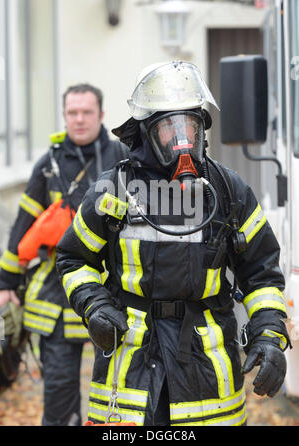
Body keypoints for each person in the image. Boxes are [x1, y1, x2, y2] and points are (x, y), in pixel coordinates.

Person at [56, 62, 290, 427]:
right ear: (146, 132)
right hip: (131, 371)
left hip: (207, 376)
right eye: (168, 127)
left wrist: (270, 334)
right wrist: (94, 306)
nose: (181, 139)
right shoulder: (113, 189)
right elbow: (73, 258)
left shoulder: (228, 191)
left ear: (201, 128)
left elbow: (262, 272)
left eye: (189, 125)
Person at [0, 83, 128, 426]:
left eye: (87, 112)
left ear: (101, 115)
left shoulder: (123, 158)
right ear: (64, 116)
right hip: (58, 296)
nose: (80, 119)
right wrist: (6, 282)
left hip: (116, 294)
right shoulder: (49, 164)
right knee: (58, 391)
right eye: (73, 112)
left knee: (123, 395)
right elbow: (24, 224)